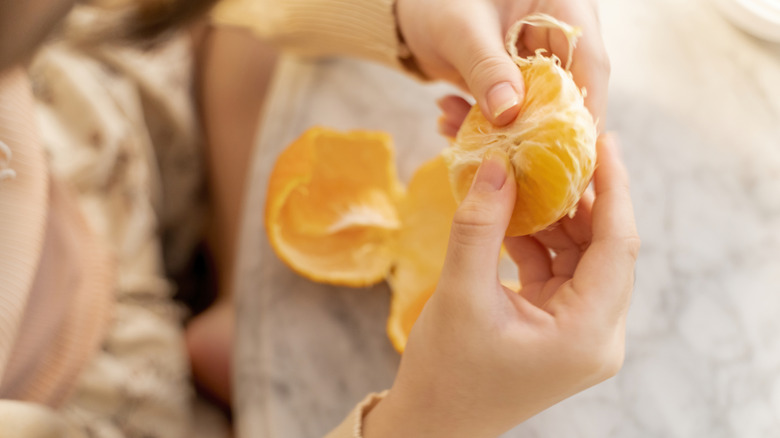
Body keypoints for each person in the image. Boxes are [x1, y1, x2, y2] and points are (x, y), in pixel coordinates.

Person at [0, 1, 636, 438]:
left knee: (243, 37)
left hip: (82, 147)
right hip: (72, 401)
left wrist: (403, 15)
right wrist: (432, 419)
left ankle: (236, 302)